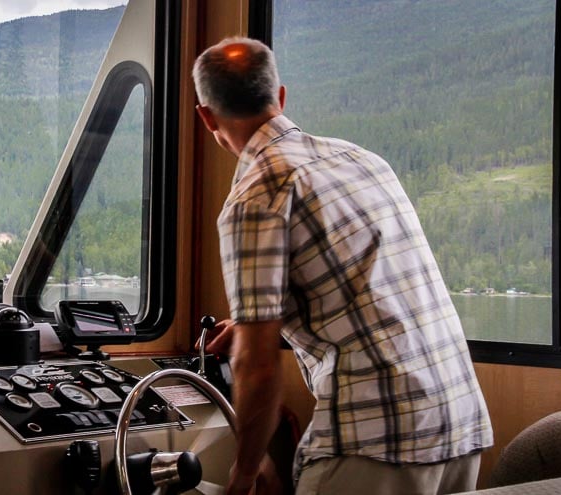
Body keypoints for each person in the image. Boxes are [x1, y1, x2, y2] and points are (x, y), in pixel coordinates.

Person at [191, 37, 493, 495]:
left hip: (377, 440)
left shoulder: (255, 197)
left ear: (206, 117)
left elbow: (257, 367)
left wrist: (245, 472)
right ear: (281, 97)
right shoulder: (363, 160)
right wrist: (256, 324)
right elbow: (365, 295)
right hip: (458, 422)